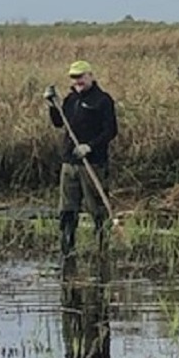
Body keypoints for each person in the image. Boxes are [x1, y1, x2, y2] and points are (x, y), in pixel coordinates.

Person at [44, 60, 118, 257]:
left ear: (90, 76)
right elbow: (59, 123)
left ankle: (103, 247)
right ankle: (67, 248)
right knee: (67, 209)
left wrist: (90, 146)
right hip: (70, 163)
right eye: (73, 77)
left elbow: (111, 130)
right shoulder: (70, 100)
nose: (77, 81)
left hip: (92, 164)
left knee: (97, 210)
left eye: (80, 77)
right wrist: (53, 104)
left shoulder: (103, 100)